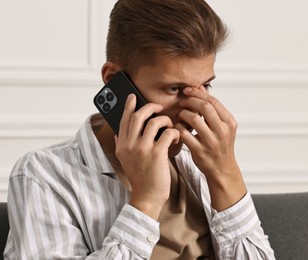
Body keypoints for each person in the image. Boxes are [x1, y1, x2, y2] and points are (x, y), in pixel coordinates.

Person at [4, 0, 275, 259]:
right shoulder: (44, 176)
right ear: (114, 82)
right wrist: (146, 200)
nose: (195, 109)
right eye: (174, 89)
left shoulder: (202, 161)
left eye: (206, 86)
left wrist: (226, 175)